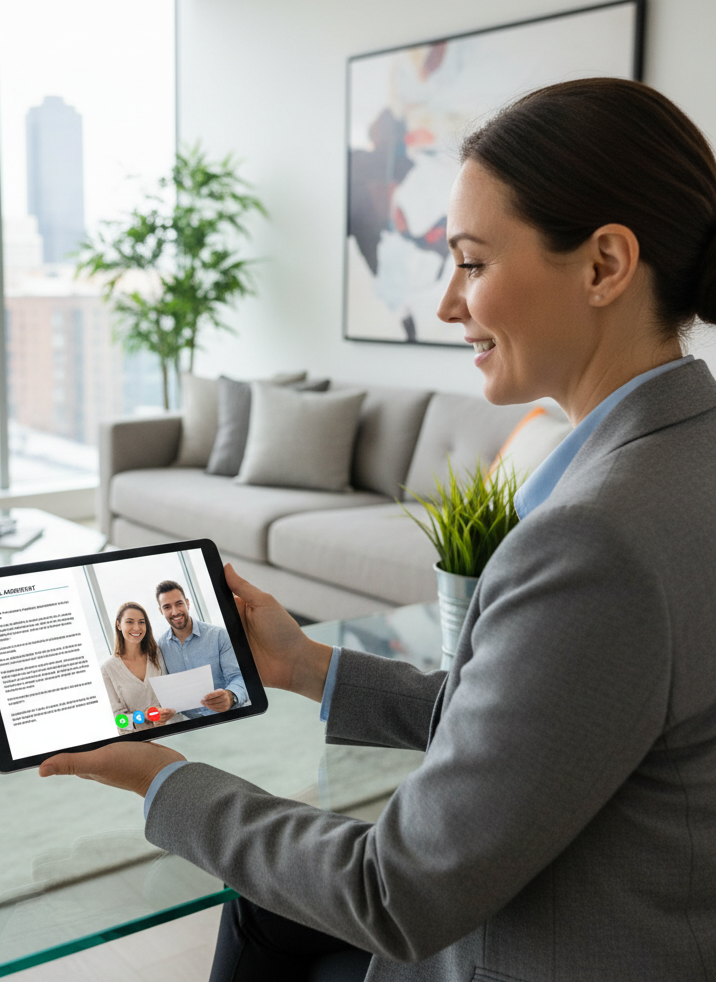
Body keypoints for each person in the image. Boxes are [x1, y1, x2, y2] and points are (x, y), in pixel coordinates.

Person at [39, 78, 716, 981]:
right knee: (269, 920)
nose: (446, 304)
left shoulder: (597, 541)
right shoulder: (684, 460)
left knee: (270, 914)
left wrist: (161, 778)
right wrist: (302, 664)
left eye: (473, 263)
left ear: (604, 265)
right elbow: (541, 734)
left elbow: (395, 894)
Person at [155, 579, 247, 716]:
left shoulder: (218, 635)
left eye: (179, 604)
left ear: (187, 603)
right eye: (167, 607)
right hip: (190, 726)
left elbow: (239, 677)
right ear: (161, 611)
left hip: (225, 717)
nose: (175, 612)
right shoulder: (160, 647)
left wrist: (231, 695)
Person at [99, 601, 181, 732]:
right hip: (142, 741)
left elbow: (172, 694)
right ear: (119, 625)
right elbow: (119, 720)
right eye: (130, 622)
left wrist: (169, 711)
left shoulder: (158, 654)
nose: (137, 628)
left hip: (173, 730)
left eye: (141, 622)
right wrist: (143, 716)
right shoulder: (107, 669)